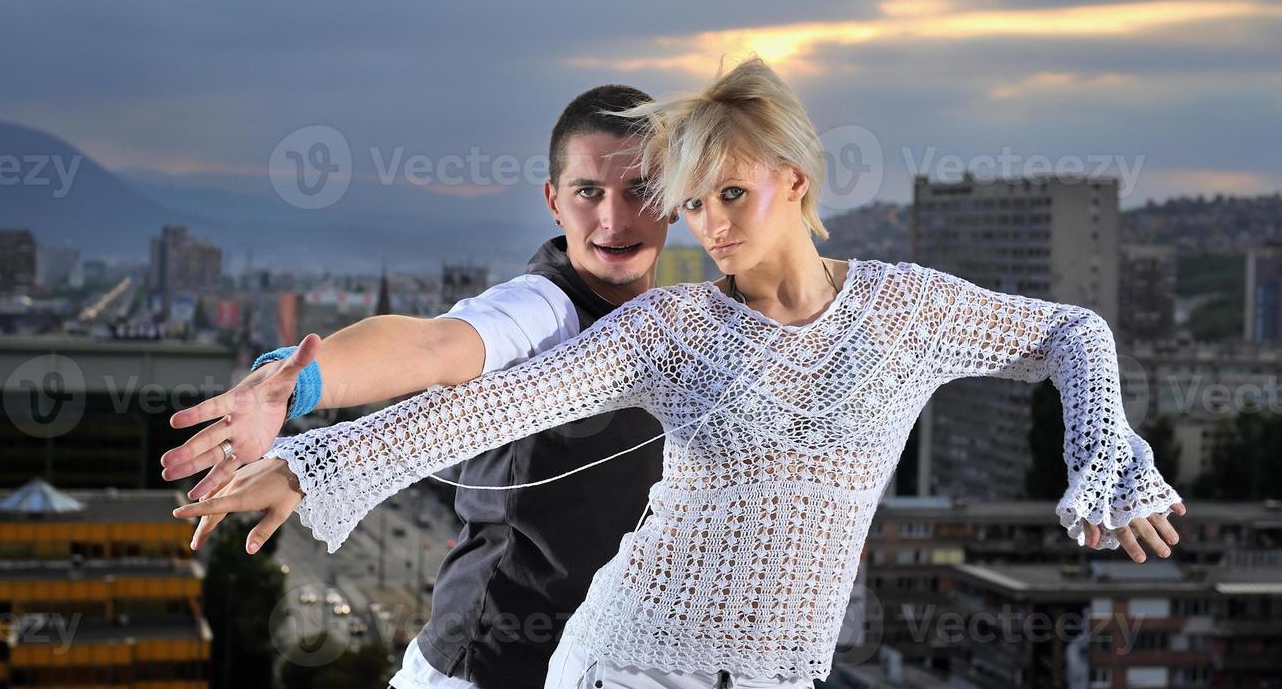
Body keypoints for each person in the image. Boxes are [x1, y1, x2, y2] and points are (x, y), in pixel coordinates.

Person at [174, 56, 1186, 688]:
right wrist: (306, 439)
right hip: (614, 660)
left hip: (784, 670)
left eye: (728, 193)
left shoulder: (905, 309)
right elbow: (465, 387)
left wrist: (1107, 448)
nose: (711, 224)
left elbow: (1071, 328)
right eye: (696, 202)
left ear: (796, 179)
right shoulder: (662, 325)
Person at [160, 85, 675, 689]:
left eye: (640, 189)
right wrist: (298, 385)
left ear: (673, 199)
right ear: (554, 203)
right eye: (589, 192)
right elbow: (433, 344)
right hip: (486, 668)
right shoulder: (542, 309)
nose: (613, 219)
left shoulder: (684, 324)